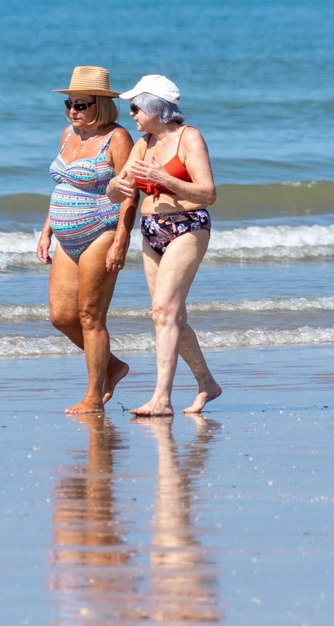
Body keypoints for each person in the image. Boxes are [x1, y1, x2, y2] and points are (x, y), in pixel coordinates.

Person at [107, 75, 222, 417]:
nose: (131, 114)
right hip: (152, 230)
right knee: (170, 316)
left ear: (155, 108)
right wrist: (116, 184)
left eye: (135, 107)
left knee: (164, 311)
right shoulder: (143, 145)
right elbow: (117, 191)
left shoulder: (190, 138)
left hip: (188, 227)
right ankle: (207, 384)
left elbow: (208, 194)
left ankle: (161, 398)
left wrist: (165, 180)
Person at [38, 66, 137, 414]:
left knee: (89, 315)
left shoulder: (118, 138)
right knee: (61, 316)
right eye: (69, 104)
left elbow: (129, 193)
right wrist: (47, 228)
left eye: (82, 105)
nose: (73, 112)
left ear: (103, 105)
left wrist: (122, 238)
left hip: (101, 232)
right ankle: (112, 366)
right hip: (66, 237)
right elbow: (62, 184)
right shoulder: (68, 134)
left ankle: (94, 396)